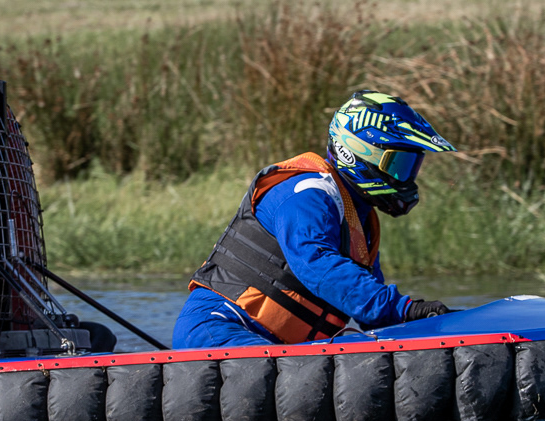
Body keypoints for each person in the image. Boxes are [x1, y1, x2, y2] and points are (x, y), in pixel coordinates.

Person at [173, 90, 457, 349]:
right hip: (219, 328)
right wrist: (403, 308)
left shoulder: (360, 222)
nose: (406, 178)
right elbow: (319, 265)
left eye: (412, 167)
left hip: (282, 352)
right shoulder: (307, 194)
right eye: (398, 165)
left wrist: (435, 324)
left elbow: (376, 314)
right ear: (356, 152)